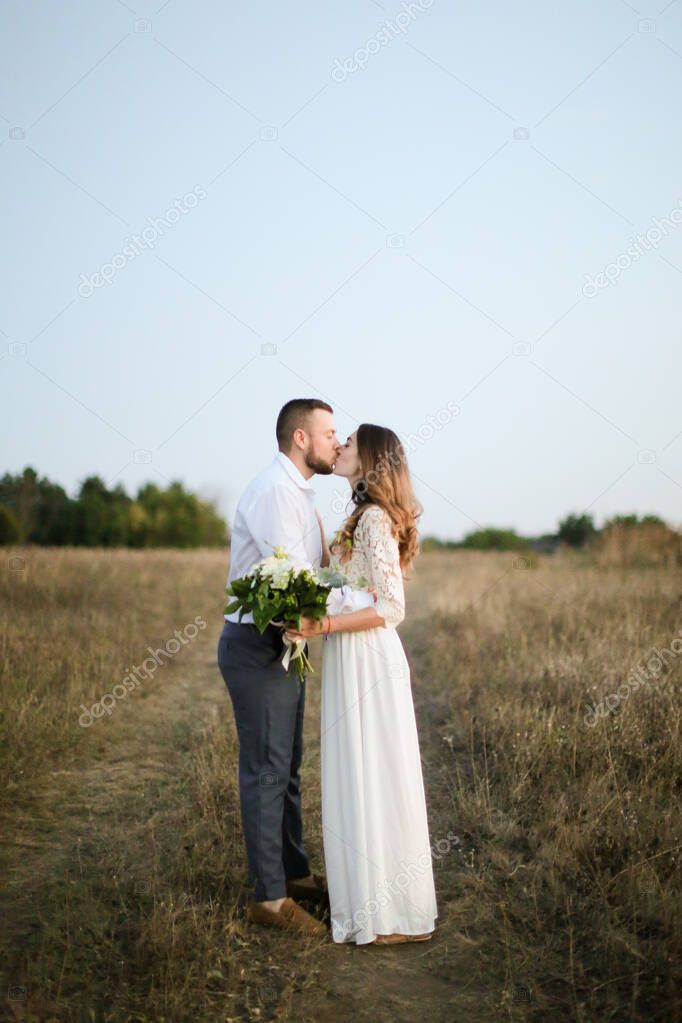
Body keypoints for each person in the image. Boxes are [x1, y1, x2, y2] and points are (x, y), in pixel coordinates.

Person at [217, 398, 370, 936]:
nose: (337, 441)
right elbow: (300, 583)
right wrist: (367, 611)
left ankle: (294, 872)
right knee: (266, 770)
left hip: (283, 646)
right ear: (301, 439)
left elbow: (314, 574)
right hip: (257, 645)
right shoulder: (277, 492)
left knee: (287, 768)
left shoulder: (299, 495)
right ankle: (269, 898)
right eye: (329, 433)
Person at [285, 424, 438, 945]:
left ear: (371, 458)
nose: (341, 446)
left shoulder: (374, 519)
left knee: (374, 774)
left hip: (369, 660)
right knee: (361, 772)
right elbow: (351, 584)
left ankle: (389, 915)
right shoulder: (361, 516)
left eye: (349, 441)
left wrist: (322, 626)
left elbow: (392, 607)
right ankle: (373, 905)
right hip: (352, 657)